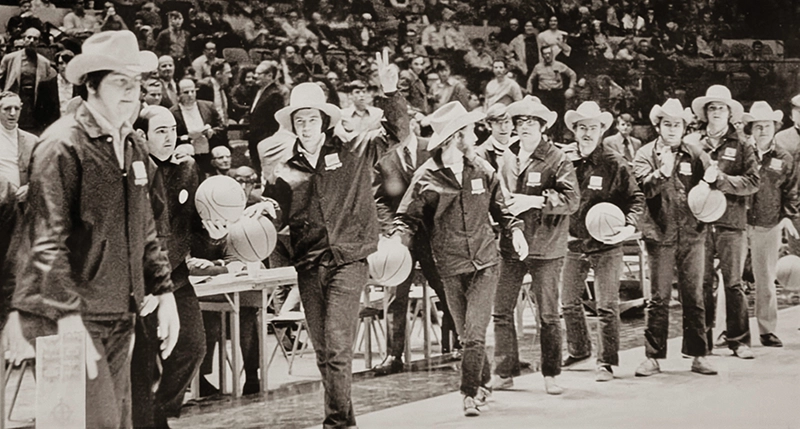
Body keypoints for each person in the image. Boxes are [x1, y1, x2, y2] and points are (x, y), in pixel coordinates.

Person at [11, 30, 179, 428]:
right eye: (121, 82)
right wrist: (68, 320)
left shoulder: (134, 145)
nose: (132, 92)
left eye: (136, 83)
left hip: (120, 311)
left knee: (118, 420)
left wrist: (164, 291)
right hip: (66, 316)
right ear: (91, 85)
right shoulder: (60, 146)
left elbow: (146, 229)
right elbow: (45, 241)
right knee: (93, 422)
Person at [254, 50, 406, 428]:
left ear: (324, 121)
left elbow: (396, 133)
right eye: (300, 120)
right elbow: (276, 212)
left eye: (311, 119)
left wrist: (390, 92)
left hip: (349, 261)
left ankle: (335, 424)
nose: (305, 126)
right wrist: (261, 213)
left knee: (337, 347)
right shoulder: (284, 171)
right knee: (324, 351)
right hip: (309, 265)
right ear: (293, 125)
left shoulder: (354, 149)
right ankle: (347, 420)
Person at [393, 100, 527, 417]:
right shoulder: (426, 177)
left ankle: (468, 393)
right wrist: (396, 244)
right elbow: (406, 218)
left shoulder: (482, 169)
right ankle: (482, 382)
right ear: (455, 137)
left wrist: (516, 231)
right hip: (449, 265)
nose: (473, 135)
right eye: (467, 131)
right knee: (466, 332)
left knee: (473, 333)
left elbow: (503, 210)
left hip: (485, 262)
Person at [130, 105, 213, 427]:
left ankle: (158, 412)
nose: (170, 138)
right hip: (143, 282)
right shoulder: (131, 173)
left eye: (173, 130)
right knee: (144, 361)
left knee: (192, 348)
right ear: (141, 136)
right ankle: (147, 420)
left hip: (176, 277)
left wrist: (217, 236)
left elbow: (196, 232)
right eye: (160, 131)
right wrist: (145, 284)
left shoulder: (187, 168)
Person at [490, 95, 579, 394]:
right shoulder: (508, 156)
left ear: (543, 125)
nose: (524, 126)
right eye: (519, 121)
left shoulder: (558, 158)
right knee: (501, 309)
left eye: (531, 121)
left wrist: (535, 200)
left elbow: (571, 200)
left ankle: (551, 373)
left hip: (546, 247)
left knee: (548, 314)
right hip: (511, 245)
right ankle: (504, 371)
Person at [631, 98, 717, 377]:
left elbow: (713, 180)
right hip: (659, 234)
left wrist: (713, 179)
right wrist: (662, 172)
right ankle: (653, 356)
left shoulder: (695, 153)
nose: (671, 129)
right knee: (659, 297)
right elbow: (642, 190)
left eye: (676, 124)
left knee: (695, 295)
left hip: (693, 234)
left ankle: (698, 354)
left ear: (683, 126)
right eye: (666, 123)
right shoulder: (645, 154)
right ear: (658, 126)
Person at [560, 101, 644, 382]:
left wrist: (628, 226)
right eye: (581, 127)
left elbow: (636, 199)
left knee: (607, 305)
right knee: (568, 302)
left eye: (592, 127)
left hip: (607, 243)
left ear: (601, 130)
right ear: (574, 130)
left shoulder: (614, 162)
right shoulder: (565, 160)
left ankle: (606, 362)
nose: (586, 132)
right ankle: (580, 349)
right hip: (573, 241)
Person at [371, 112, 457, 376]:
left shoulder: (431, 147)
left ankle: (454, 346)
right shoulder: (382, 159)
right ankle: (393, 355)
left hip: (433, 234)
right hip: (401, 240)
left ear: (409, 124)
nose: (391, 132)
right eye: (386, 128)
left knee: (447, 291)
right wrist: (393, 229)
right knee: (396, 297)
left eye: (394, 125)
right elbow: (379, 200)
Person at [686, 85, 759, 358]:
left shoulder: (742, 143)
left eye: (721, 108)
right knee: (702, 283)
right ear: (705, 113)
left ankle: (739, 340)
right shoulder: (693, 143)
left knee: (734, 282)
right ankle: (702, 340)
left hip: (731, 222)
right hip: (701, 224)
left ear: (730, 113)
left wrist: (724, 182)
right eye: (712, 108)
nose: (716, 112)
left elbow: (753, 182)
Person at [742, 101, 799, 347]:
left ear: (775, 127)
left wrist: (787, 215)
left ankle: (766, 330)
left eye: (767, 125)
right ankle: (727, 329)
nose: (763, 130)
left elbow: (791, 190)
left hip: (769, 222)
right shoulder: (741, 152)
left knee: (766, 278)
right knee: (731, 279)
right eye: (758, 126)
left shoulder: (784, 157)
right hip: (739, 223)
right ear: (751, 129)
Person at [0, 25, 59, 134]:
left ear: (38, 42)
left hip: (34, 104)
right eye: (29, 37)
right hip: (15, 100)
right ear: (23, 39)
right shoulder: (10, 59)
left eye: (35, 39)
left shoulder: (44, 62)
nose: (31, 41)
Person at [171, 77, 227, 174]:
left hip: (208, 153)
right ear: (178, 94)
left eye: (193, 91)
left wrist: (212, 132)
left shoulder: (208, 106)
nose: (190, 95)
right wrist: (186, 137)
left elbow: (222, 126)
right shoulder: (172, 112)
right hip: (188, 154)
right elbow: (171, 137)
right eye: (186, 92)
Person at [526, 45, 576, 137]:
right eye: (545, 54)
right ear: (542, 55)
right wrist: (529, 91)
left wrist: (571, 87)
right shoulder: (538, 67)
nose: (547, 56)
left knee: (559, 115)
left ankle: (558, 136)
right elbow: (531, 79)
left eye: (549, 53)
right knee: (544, 115)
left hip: (557, 94)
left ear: (552, 54)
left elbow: (572, 74)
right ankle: (547, 136)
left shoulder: (559, 65)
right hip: (544, 95)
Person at [248, 60, 287, 175]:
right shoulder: (258, 91)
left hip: (264, 141)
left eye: (258, 73)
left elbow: (274, 124)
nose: (254, 76)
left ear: (269, 76)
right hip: (255, 140)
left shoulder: (275, 95)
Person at [0, 92, 36, 207]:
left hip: (22, 206)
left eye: (16, 108)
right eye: (7, 109)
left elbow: (44, 174)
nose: (12, 113)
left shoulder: (32, 140)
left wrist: (29, 188)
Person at [775, 94, 800, 256]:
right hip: (794, 205)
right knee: (796, 254)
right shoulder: (781, 139)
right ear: (791, 114)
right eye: (798, 110)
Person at [475, 103, 517, 171]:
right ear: (489, 125)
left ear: (513, 125)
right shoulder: (481, 153)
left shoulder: (519, 146)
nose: (503, 128)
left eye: (506, 122)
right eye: (498, 123)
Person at [197, 59, 233, 125]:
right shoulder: (205, 89)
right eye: (228, 73)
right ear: (218, 74)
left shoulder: (224, 87)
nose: (231, 76)